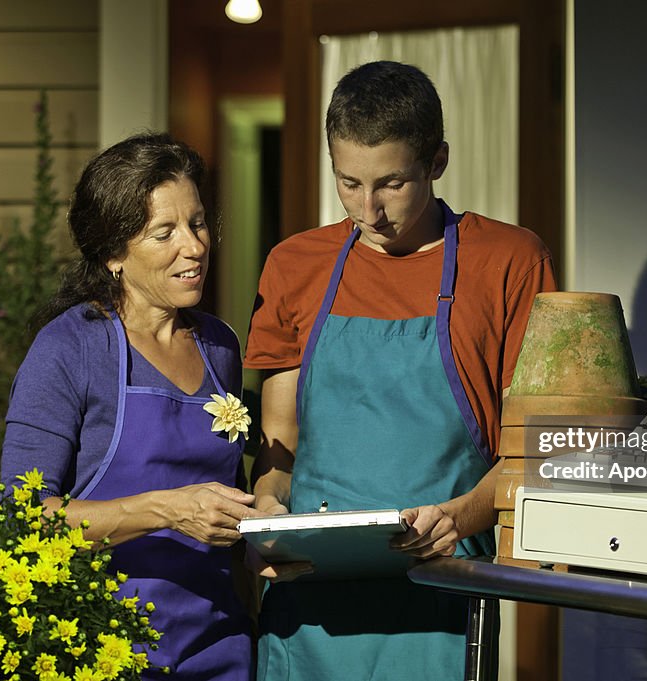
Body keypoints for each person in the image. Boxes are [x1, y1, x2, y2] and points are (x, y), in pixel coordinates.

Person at [244, 61, 557, 680]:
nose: (370, 210)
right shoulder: (295, 264)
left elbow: (534, 451)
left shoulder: (508, 259)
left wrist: (461, 516)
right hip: (309, 605)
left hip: (438, 589)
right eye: (348, 183)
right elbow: (280, 454)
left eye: (392, 184)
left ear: (437, 161)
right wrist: (267, 516)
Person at [1, 133, 255, 680]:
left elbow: (229, 505)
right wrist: (165, 510)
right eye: (164, 233)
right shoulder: (70, 348)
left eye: (199, 222)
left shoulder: (221, 346)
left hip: (219, 648)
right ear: (114, 254)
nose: (194, 246)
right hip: (100, 652)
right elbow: (20, 522)